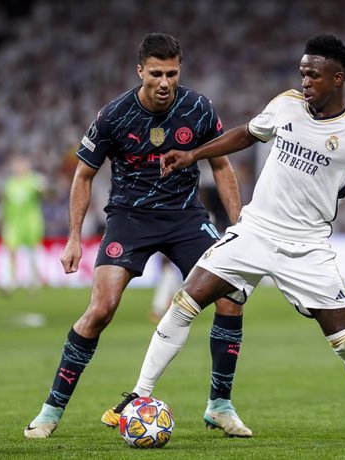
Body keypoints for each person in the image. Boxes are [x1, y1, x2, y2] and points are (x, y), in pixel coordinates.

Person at [136, 33, 345, 444]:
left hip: (307, 246)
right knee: (185, 302)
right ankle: (138, 396)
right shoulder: (285, 105)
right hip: (255, 230)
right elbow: (246, 133)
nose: (305, 82)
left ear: (337, 79)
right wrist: (194, 154)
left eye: (314, 76)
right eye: (302, 74)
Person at [24, 33, 252, 439]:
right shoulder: (114, 115)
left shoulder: (198, 108)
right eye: (156, 74)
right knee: (101, 310)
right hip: (130, 218)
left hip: (185, 216)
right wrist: (74, 236)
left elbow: (221, 166)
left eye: (172, 74)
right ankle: (50, 410)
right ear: (140, 71)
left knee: (232, 297)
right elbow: (83, 174)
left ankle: (219, 405)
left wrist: (237, 229)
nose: (165, 82)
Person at [1, 154, 46, 292]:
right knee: (11, 250)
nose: (21, 167)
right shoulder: (10, 184)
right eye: (19, 165)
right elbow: (5, 204)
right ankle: (10, 281)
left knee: (33, 251)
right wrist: (4, 221)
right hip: (14, 222)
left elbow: (46, 193)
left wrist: (43, 186)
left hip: (31, 222)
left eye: (24, 164)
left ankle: (34, 280)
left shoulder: (34, 181)